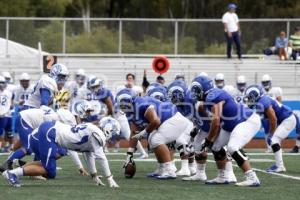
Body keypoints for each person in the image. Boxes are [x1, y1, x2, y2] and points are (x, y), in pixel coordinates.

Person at [190, 75, 261, 187]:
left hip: (246, 120)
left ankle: (252, 177)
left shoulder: (213, 96)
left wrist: (208, 139)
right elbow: (211, 120)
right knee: (216, 147)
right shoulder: (205, 102)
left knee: (232, 147)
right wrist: (206, 136)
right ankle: (223, 176)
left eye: (196, 89)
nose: (194, 92)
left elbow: (216, 121)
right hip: (231, 123)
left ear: (204, 88)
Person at [2, 120, 119, 188]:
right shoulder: (98, 134)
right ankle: (12, 173)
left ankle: (16, 169)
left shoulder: (93, 132)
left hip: (52, 130)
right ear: (108, 130)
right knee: (50, 172)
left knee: (49, 164)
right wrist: (109, 178)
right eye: (113, 133)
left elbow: (89, 154)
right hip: (51, 133)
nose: (112, 137)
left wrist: (94, 175)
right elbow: (101, 158)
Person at [117, 88, 193, 179]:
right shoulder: (131, 111)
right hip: (168, 121)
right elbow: (134, 134)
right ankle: (161, 169)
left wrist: (144, 132)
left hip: (175, 120)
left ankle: (169, 170)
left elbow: (156, 121)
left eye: (126, 103)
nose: (124, 106)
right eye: (122, 104)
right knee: (151, 139)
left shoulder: (140, 104)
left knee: (156, 140)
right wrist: (129, 155)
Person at [245, 85, 296, 172]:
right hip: (284, 119)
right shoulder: (262, 101)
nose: (248, 100)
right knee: (273, 140)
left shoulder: (263, 102)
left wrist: (271, 133)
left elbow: (273, 119)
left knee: (274, 139)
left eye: (250, 98)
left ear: (255, 96)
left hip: (288, 119)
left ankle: (280, 166)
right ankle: (279, 165)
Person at [0, 75, 13, 152]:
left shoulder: (9, 92)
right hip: (3, 114)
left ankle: (10, 147)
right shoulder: (9, 92)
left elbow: (11, 102)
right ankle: (2, 147)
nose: (1, 84)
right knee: (2, 132)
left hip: (7, 114)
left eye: (2, 82)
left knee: (9, 132)